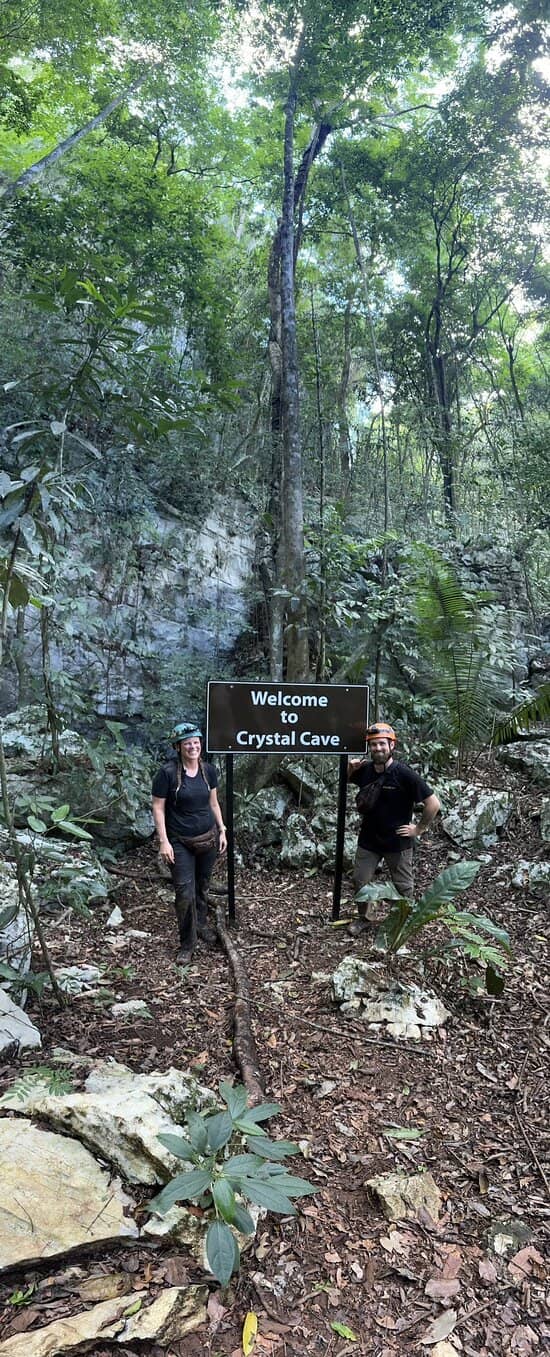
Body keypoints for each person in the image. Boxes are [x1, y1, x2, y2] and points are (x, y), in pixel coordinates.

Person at [347, 721, 440, 935]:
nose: (378, 748)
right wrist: (350, 768)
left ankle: (399, 924)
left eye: (382, 744)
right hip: (369, 839)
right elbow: (349, 779)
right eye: (373, 744)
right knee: (360, 880)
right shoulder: (366, 770)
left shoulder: (404, 774)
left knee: (403, 886)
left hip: (397, 842)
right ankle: (365, 918)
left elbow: (433, 804)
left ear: (391, 745)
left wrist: (419, 829)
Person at [152, 721, 227, 964]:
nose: (193, 747)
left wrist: (222, 830)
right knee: (184, 891)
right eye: (187, 744)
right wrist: (164, 842)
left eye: (196, 742)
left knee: (203, 885)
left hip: (208, 838)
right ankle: (187, 943)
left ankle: (201, 924)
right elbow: (158, 807)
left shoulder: (209, 771)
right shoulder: (167, 774)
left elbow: (213, 802)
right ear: (178, 747)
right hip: (179, 841)